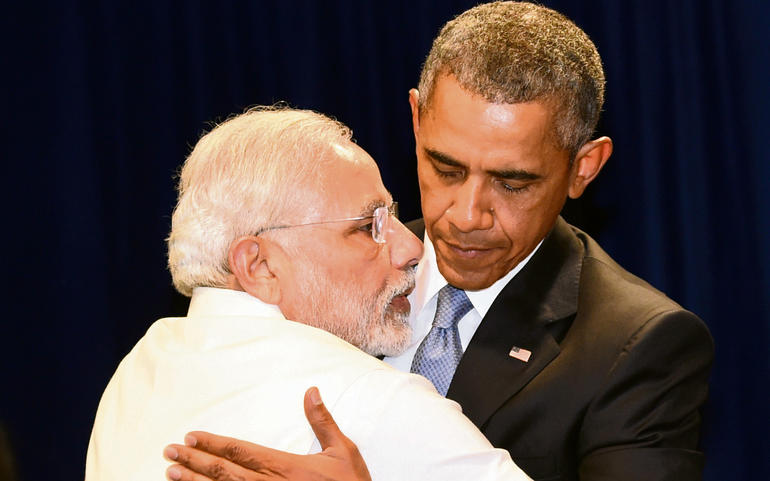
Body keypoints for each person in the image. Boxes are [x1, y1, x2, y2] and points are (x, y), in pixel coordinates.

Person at [163, 2, 714, 481]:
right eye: (446, 169)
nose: (468, 216)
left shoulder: (637, 347)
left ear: (583, 168)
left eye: (513, 183)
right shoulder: (317, 267)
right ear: (416, 121)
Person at [85, 107, 532, 481]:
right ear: (259, 266)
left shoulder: (135, 374)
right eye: (368, 227)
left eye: (392, 216)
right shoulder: (369, 400)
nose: (413, 247)